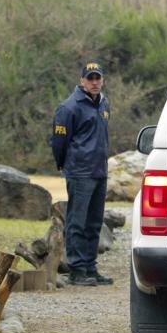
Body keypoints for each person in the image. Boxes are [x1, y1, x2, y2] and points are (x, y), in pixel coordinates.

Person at [50, 60, 112, 286]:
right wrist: (62, 163)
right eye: (90, 78)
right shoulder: (69, 107)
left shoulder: (104, 104)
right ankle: (76, 269)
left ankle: (90, 267)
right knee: (77, 220)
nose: (94, 82)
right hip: (80, 172)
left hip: (99, 171)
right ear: (82, 81)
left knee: (94, 222)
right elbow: (59, 141)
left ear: (102, 80)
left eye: (98, 78)